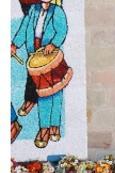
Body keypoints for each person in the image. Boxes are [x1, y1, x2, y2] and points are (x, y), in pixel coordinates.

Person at [12, 0, 71, 148]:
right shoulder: (33, 9)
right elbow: (24, 27)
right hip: (35, 55)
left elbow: (62, 30)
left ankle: (55, 125)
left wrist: (54, 44)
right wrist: (14, 44)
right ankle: (44, 127)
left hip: (50, 56)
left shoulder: (57, 12)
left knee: (56, 94)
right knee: (43, 94)